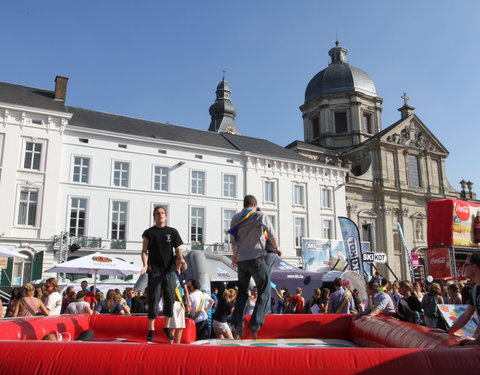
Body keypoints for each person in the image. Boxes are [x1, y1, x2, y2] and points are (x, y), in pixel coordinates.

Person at [229, 195, 280, 339]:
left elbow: (233, 241)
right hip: (256, 259)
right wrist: (276, 248)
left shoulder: (235, 218)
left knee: (243, 293)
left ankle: (237, 322)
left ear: (244, 204)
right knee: (264, 290)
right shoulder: (259, 215)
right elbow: (271, 233)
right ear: (255, 204)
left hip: (242, 261)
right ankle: (255, 323)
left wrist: (235, 257)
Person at [141, 205, 185, 342]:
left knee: (170, 298)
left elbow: (177, 250)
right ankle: (151, 329)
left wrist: (181, 260)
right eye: (157, 213)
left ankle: (166, 326)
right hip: (154, 269)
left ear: (165, 216)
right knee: (153, 298)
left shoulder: (172, 232)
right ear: (154, 217)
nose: (160, 215)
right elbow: (144, 251)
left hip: (169, 270)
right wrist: (145, 265)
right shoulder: (149, 232)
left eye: (162, 213)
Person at [448, 254, 480, 345]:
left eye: (466, 265)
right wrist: (448, 332)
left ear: (474, 267)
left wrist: (476, 340)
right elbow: (467, 315)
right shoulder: (475, 289)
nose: (463, 268)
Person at [168, 257, 190, 344]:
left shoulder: (183, 274)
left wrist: (188, 303)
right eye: (179, 260)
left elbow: (185, 289)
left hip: (181, 302)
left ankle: (178, 344)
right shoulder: (171, 273)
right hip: (173, 300)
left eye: (182, 260)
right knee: (173, 325)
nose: (181, 262)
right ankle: (171, 344)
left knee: (181, 325)